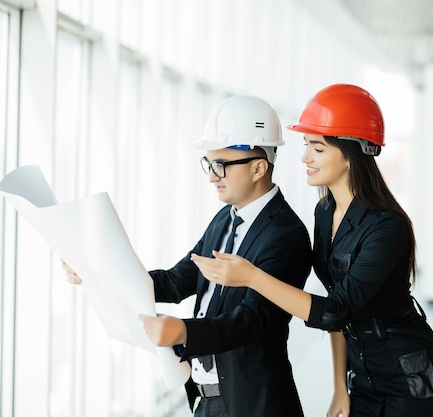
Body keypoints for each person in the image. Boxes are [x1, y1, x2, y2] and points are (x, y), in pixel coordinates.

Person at [191, 84, 433, 417]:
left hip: (411, 382)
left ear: (348, 154)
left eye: (317, 148)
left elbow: (334, 311)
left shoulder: (386, 227)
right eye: (306, 146)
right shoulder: (325, 211)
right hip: (362, 379)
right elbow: (338, 307)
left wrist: (253, 277)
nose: (304, 157)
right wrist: (339, 388)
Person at [64, 95, 312, 417]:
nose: (211, 176)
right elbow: (178, 280)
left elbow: (251, 321)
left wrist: (184, 332)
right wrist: (98, 273)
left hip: (253, 406)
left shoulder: (285, 235)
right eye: (209, 165)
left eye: (220, 166)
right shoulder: (226, 218)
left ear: (258, 168)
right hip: (206, 400)